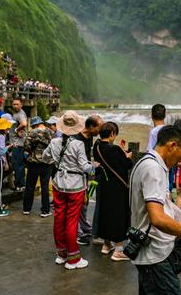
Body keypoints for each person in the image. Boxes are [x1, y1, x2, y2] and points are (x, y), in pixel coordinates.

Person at [130, 125, 181, 295]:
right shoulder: (153, 169)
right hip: (154, 254)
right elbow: (157, 218)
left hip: (148, 251)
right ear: (172, 146)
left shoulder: (145, 162)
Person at [42, 111, 99, 270]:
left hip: (58, 183)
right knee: (72, 220)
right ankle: (73, 258)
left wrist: (58, 164)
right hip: (75, 186)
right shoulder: (78, 144)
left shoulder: (54, 142)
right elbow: (85, 166)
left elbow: (45, 158)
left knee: (59, 218)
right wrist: (94, 167)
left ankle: (61, 254)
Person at [93, 121, 134, 261]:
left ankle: (106, 245)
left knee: (105, 213)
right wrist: (127, 156)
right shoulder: (115, 149)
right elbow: (127, 165)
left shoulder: (96, 146)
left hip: (104, 185)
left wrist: (121, 153)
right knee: (118, 215)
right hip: (117, 187)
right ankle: (118, 250)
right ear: (112, 134)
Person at [74, 115, 103, 246]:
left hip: (85, 175)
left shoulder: (90, 138)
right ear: (91, 127)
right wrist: (92, 167)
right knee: (77, 205)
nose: (100, 131)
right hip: (75, 177)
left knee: (84, 204)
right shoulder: (76, 138)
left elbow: (86, 158)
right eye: (99, 127)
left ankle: (85, 228)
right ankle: (79, 234)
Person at [23, 117, 54, 217]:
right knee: (45, 187)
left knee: (30, 186)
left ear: (35, 125)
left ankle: (27, 209)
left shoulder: (32, 132)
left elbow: (26, 146)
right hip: (47, 163)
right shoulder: (50, 132)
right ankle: (45, 210)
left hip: (34, 163)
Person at [9, 97, 28, 191]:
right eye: (14, 104)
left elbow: (24, 123)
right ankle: (21, 184)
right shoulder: (16, 113)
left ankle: (20, 185)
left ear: (21, 105)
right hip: (16, 143)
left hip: (18, 144)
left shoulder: (20, 114)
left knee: (17, 165)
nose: (15, 106)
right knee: (18, 164)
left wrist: (17, 129)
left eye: (17, 104)